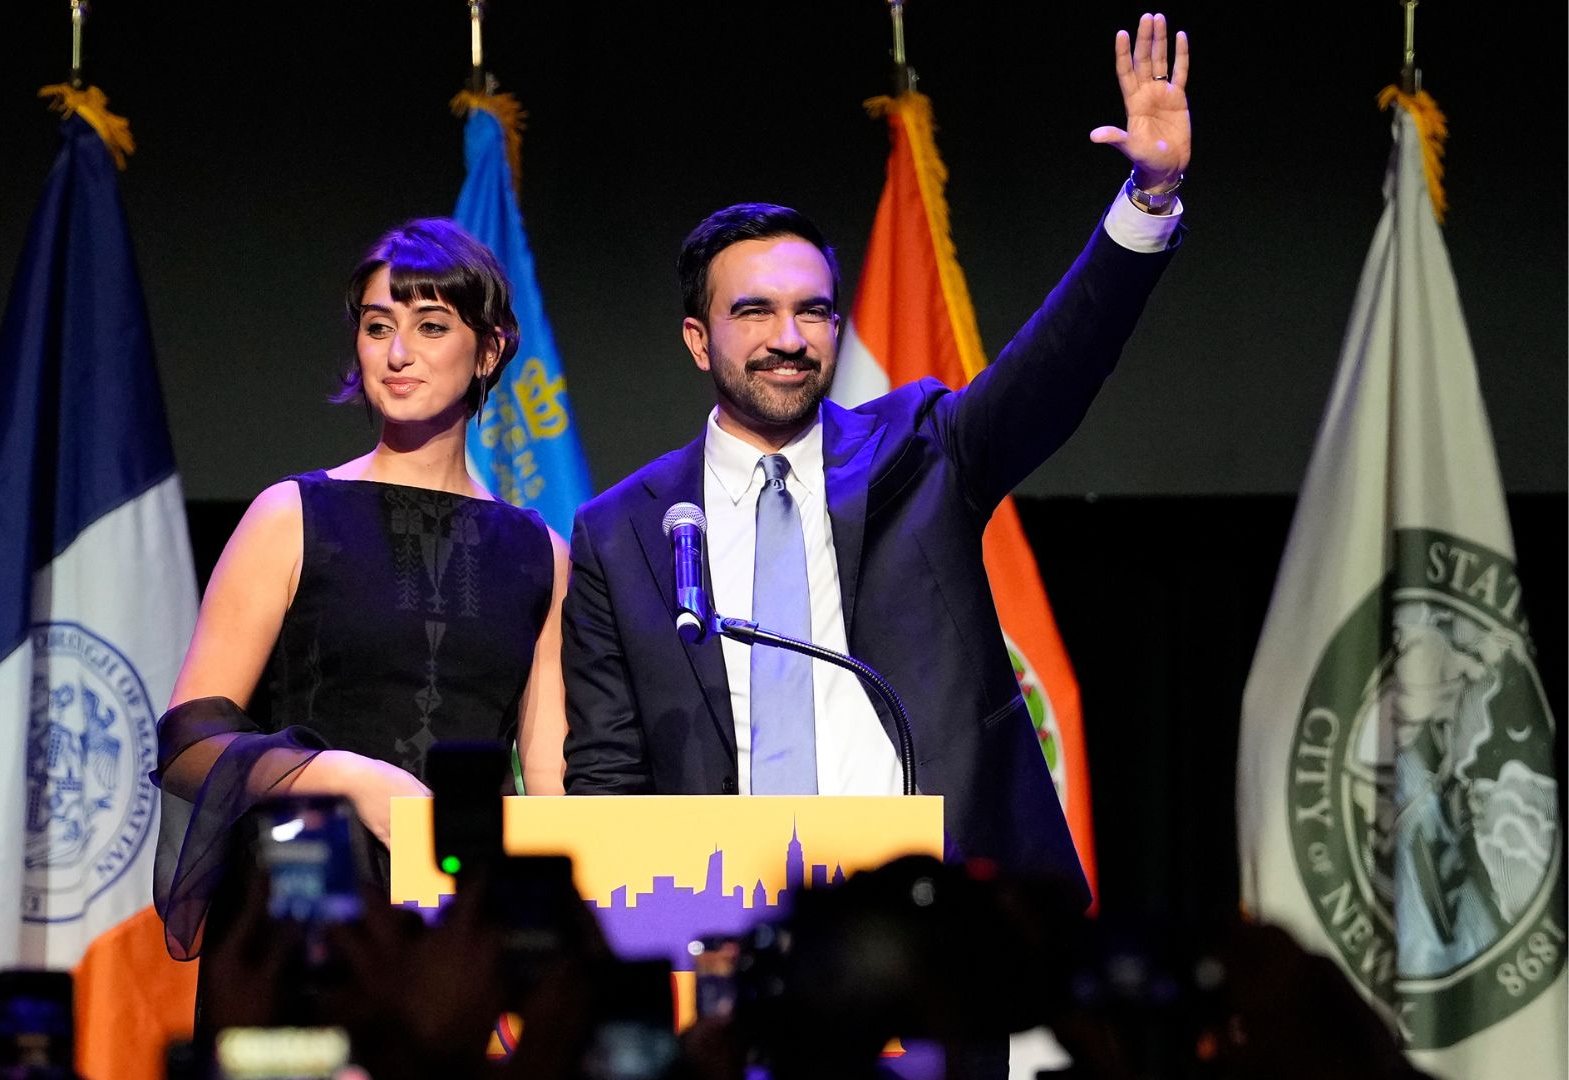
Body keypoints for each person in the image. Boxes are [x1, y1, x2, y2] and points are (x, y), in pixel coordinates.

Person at [561, 14, 1192, 914]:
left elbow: (1057, 365)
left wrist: (1150, 197)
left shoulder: (922, 451)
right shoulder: (622, 531)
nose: (790, 339)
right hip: (725, 926)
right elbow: (608, 774)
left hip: (934, 922)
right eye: (756, 313)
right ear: (699, 340)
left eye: (813, 311)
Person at [150, 219, 570, 974]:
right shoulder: (291, 515)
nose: (398, 353)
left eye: (431, 326)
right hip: (306, 913)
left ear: (492, 349)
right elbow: (190, 744)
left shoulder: (543, 553)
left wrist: (542, 947)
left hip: (460, 927)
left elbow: (546, 781)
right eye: (379, 327)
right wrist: (352, 777)